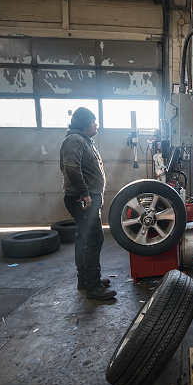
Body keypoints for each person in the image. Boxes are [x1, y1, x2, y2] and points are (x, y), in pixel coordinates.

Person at [60, 107, 117, 301]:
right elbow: (70, 168)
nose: (96, 125)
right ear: (85, 124)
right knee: (94, 239)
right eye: (94, 122)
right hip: (80, 198)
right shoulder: (74, 140)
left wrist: (96, 195)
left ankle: (85, 279)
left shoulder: (84, 140)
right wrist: (85, 194)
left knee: (83, 238)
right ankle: (93, 286)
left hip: (88, 198)